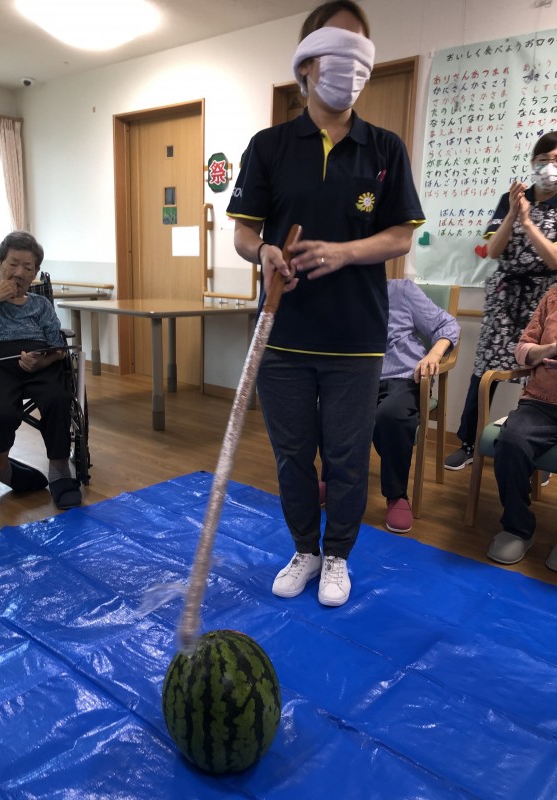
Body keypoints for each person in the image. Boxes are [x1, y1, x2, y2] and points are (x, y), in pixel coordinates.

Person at [226, 1, 425, 607]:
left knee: (345, 457)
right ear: (306, 63)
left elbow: (401, 235)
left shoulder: (383, 148)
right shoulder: (270, 146)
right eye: (336, 48)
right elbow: (243, 233)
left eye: (360, 51)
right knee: (292, 457)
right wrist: (263, 252)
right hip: (281, 334)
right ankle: (304, 550)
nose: (349, 66)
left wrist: (344, 253)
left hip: (355, 338)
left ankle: (337, 554)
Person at [445, 131, 557, 471]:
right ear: (533, 163)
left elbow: (554, 260)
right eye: (544, 160)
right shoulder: (512, 199)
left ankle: (533, 450)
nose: (549, 167)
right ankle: (468, 442)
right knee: (485, 370)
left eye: (556, 161)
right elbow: (494, 250)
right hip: (504, 297)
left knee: (540, 370)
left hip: (544, 297)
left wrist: (528, 222)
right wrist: (512, 213)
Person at [0, 230, 82, 509]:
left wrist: (43, 361)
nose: (19, 273)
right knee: (5, 410)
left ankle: (60, 472)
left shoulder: (40, 304)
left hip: (39, 363)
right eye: (13, 264)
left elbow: (58, 346)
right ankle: (2, 467)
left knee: (58, 398)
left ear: (35, 272)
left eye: (27, 267)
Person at [374, 279, 460, 534]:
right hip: (360, 377)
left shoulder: (400, 290)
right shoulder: (343, 296)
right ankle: (332, 479)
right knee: (327, 409)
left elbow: (447, 325)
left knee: (391, 415)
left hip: (404, 375)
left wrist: (434, 354)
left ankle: (397, 495)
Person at [487, 286, 557, 570]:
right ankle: (518, 528)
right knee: (511, 443)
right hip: (541, 403)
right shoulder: (552, 297)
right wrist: (550, 349)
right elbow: (522, 351)